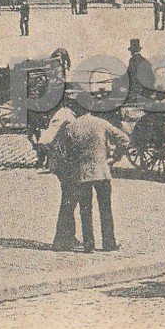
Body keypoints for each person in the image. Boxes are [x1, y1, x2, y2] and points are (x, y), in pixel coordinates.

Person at [49, 102, 128, 253]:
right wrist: (114, 157)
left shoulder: (69, 128)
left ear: (75, 111)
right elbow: (124, 139)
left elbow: (62, 153)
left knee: (86, 210)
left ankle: (88, 244)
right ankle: (109, 243)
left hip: (81, 175)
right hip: (102, 173)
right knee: (105, 209)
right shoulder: (101, 123)